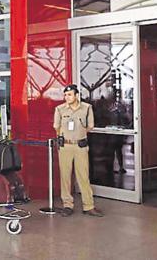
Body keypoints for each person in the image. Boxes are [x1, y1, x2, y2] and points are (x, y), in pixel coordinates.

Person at [53, 84, 104, 217]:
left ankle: (88, 206)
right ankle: (67, 205)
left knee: (83, 176)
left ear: (77, 95)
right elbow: (56, 127)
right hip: (65, 147)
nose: (67, 97)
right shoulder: (60, 109)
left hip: (80, 146)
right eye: (65, 95)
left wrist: (78, 134)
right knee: (65, 176)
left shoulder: (87, 108)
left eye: (69, 95)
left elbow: (90, 126)